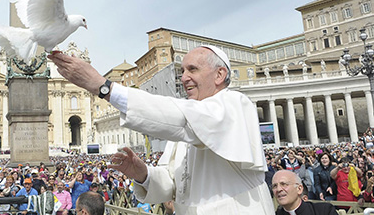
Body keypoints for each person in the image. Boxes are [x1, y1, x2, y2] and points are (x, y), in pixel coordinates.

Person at [49, 46, 274, 214]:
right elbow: (171, 183)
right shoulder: (186, 128)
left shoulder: (235, 104)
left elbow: (179, 117)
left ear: (219, 74)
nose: (184, 77)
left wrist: (103, 87)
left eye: (193, 69)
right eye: (183, 70)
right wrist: (143, 174)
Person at [272, 170, 337, 214]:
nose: (278, 189)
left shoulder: (324, 211)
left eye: (284, 184)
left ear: (299, 189)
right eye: (274, 186)